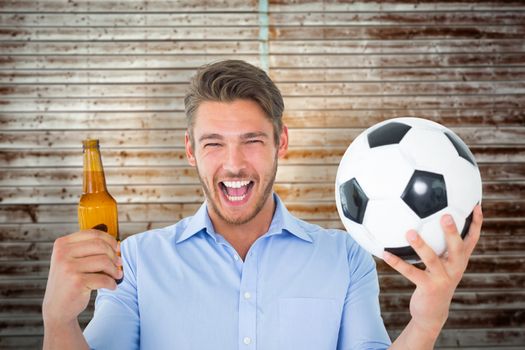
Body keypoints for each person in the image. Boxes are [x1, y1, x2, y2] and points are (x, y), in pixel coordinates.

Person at [42, 60, 483, 350]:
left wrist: (427, 320)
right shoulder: (135, 262)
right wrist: (59, 321)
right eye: (214, 143)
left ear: (281, 143)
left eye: (252, 141)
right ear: (191, 151)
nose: (233, 165)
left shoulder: (345, 257)